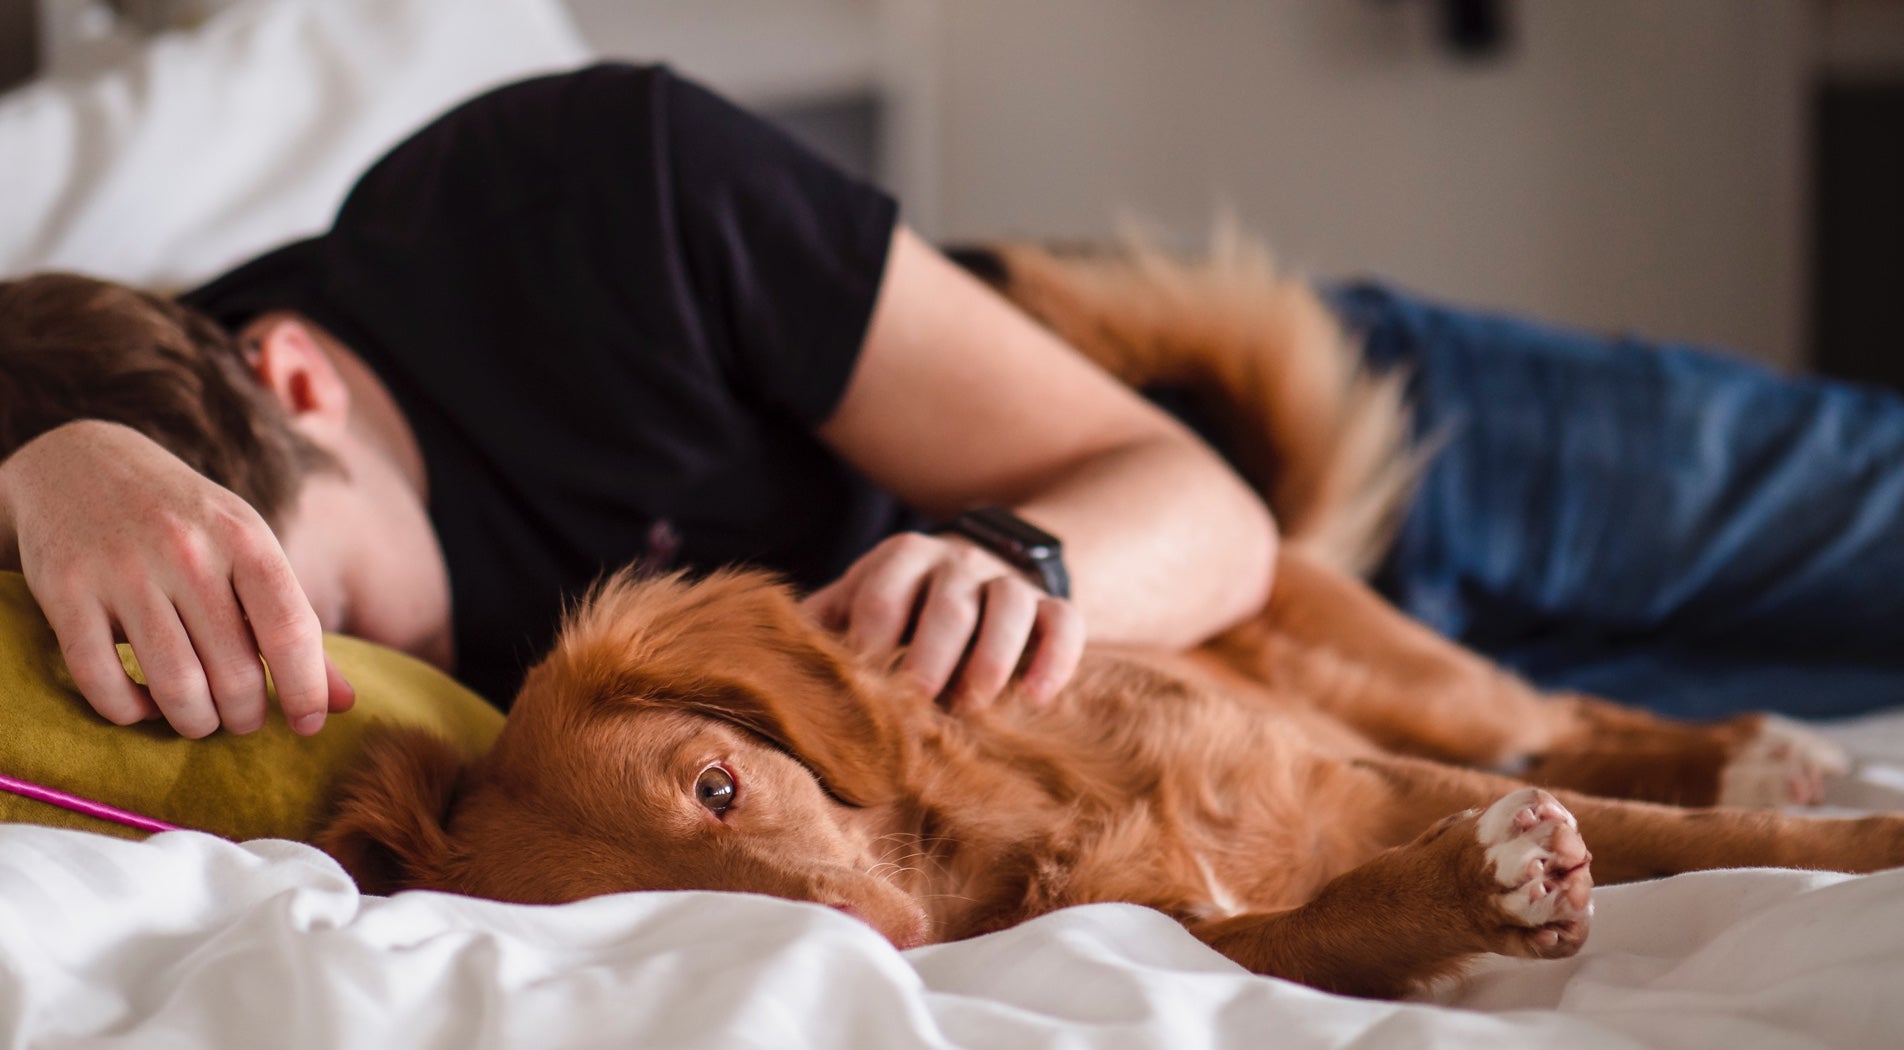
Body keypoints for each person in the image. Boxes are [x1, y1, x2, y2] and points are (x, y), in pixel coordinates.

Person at [0, 63, 1277, 740]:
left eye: (329, 615)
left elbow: (1211, 509)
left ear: (298, 382)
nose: (352, 689)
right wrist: (42, 466)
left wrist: (1011, 565)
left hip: (1223, 375)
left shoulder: (604, 190)